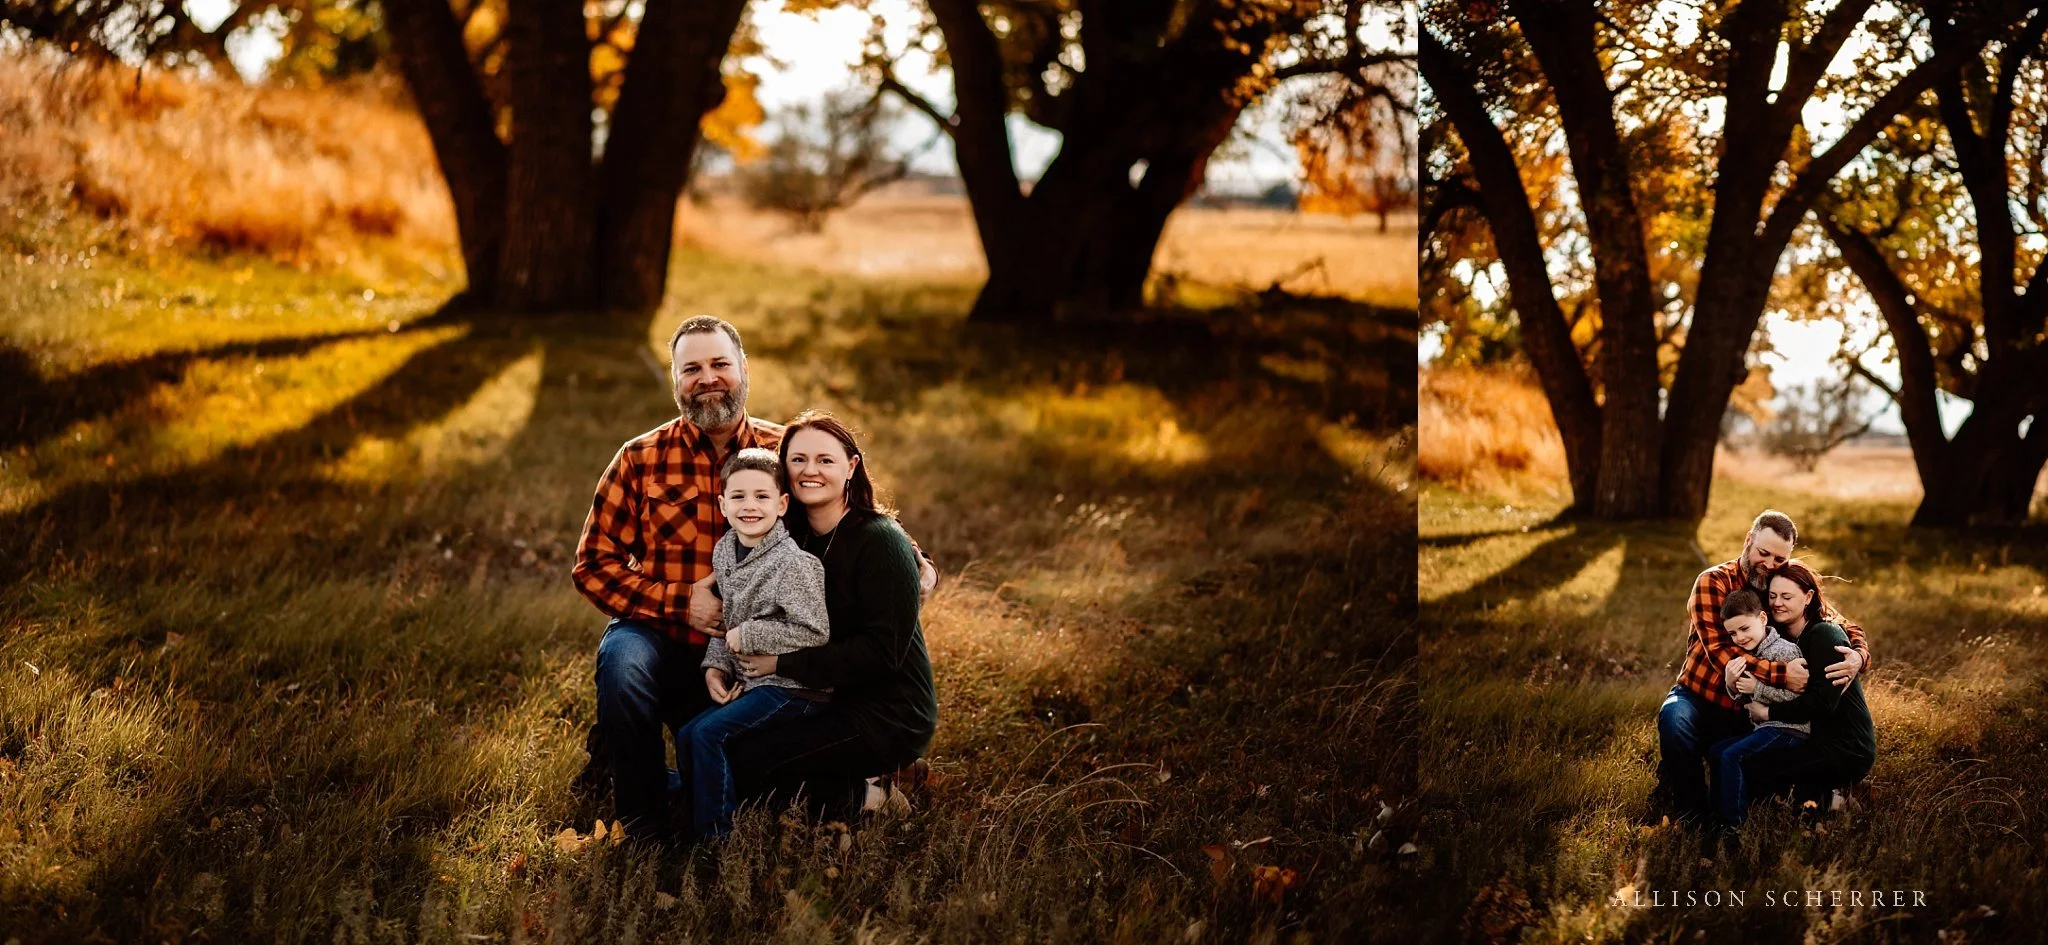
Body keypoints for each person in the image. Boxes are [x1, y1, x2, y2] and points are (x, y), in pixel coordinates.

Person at [569, 316, 936, 843]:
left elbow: (851, 512)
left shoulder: (783, 452)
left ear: (744, 369)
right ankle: (643, 822)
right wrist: (679, 603)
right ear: (675, 380)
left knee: (731, 762)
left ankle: (846, 789)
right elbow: (592, 565)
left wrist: (916, 558)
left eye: (720, 364)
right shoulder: (639, 458)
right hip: (658, 629)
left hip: (758, 642)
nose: (707, 378)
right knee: (623, 663)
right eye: (691, 369)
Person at [724, 411, 938, 823]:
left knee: (748, 767)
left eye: (825, 460)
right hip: (823, 693)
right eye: (798, 459)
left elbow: (881, 654)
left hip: (886, 710)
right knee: (729, 746)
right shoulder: (790, 536)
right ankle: (868, 775)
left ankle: (869, 797)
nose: (811, 471)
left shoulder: (879, 541)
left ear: (851, 466)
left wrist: (780, 663)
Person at [1652, 509, 1871, 824]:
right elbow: (1723, 652)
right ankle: (1692, 812)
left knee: (1755, 765)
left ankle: (1819, 795)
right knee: (1675, 720)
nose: (1769, 564)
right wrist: (1784, 675)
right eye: (1763, 553)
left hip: (1750, 706)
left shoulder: (1778, 587)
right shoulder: (1714, 581)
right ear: (1748, 541)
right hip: (1701, 694)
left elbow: (1838, 621)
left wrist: (1859, 656)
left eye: (1779, 559)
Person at [680, 448, 833, 842]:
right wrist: (716, 665)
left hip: (794, 688)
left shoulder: (792, 563)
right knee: (688, 733)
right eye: (739, 496)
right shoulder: (725, 550)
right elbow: (729, 619)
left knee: (708, 734)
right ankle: (689, 816)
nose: (750, 506)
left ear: (782, 504)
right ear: (723, 505)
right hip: (754, 682)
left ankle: (717, 840)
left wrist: (749, 636)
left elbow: (815, 631)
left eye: (762, 496)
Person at [1738, 561, 1876, 819]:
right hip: (1812, 736)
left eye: (1787, 596)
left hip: (1845, 746)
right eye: (1773, 596)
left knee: (1754, 767)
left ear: (1808, 597)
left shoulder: (1825, 634)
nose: (1777, 603)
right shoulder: (1783, 638)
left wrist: (1767, 713)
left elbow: (1821, 704)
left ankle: (1837, 796)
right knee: (1755, 765)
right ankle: (1824, 795)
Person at [1702, 589, 1807, 827]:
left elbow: (1797, 694)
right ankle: (1716, 813)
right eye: (1733, 633)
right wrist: (1731, 685)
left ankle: (1733, 825)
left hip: (1789, 728)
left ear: (1762, 618)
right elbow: (1746, 698)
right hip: (1766, 727)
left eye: (1744, 628)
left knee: (1732, 755)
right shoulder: (1749, 653)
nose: (1739, 637)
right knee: (1717, 750)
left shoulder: (1784, 650)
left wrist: (1757, 688)